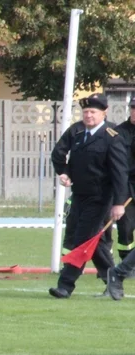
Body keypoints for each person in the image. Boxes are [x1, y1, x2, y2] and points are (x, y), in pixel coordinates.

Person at [49, 93, 129, 299]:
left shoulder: (112, 137)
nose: (88, 116)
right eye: (85, 112)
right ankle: (113, 280)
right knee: (96, 242)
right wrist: (64, 172)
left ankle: (65, 285)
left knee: (83, 239)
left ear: (104, 112)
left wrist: (119, 203)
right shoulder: (77, 133)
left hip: (100, 198)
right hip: (79, 195)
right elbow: (60, 155)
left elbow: (120, 173)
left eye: (93, 112)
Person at [111, 98, 135, 261]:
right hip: (126, 186)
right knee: (125, 227)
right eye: (133, 108)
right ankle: (127, 262)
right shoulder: (118, 132)